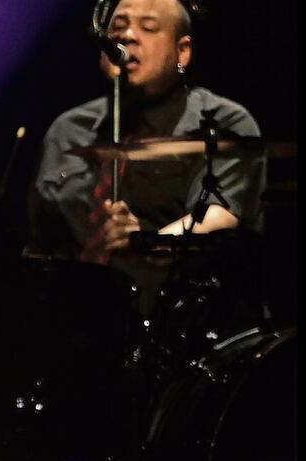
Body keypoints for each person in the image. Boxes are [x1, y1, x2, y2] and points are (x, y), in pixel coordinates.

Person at [26, 0, 266, 316]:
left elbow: (218, 218)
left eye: (148, 27)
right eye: (117, 27)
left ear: (183, 52)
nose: (127, 36)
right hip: (73, 322)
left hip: (180, 322)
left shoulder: (222, 122)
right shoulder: (68, 131)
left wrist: (145, 242)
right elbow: (40, 244)